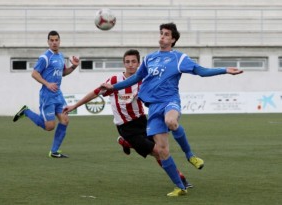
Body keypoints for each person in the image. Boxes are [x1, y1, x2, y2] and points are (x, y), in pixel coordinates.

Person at [101, 23, 243, 196]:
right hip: (153, 107)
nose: (162, 36)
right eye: (161, 33)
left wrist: (225, 70)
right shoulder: (149, 59)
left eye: (166, 34)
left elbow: (200, 71)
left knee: (171, 121)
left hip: (170, 101)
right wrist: (113, 87)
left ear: (173, 39)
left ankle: (190, 155)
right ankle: (180, 187)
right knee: (162, 151)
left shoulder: (179, 58)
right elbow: (136, 78)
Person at [63, 49, 192, 188]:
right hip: (126, 127)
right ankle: (180, 178)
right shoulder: (114, 81)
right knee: (158, 152)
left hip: (143, 121)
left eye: (134, 62)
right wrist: (75, 105)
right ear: (123, 63)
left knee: (162, 150)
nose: (130, 65)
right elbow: (95, 93)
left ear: (139, 63)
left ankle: (127, 144)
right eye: (127, 62)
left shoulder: (144, 80)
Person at [13, 30, 79, 158]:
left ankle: (54, 151)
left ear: (60, 41)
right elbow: (34, 74)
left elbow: (63, 73)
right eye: (51, 40)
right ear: (48, 42)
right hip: (47, 95)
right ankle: (26, 111)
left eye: (56, 40)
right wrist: (47, 83)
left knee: (65, 120)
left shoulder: (60, 56)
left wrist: (74, 66)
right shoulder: (45, 57)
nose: (54, 42)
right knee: (49, 127)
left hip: (58, 94)